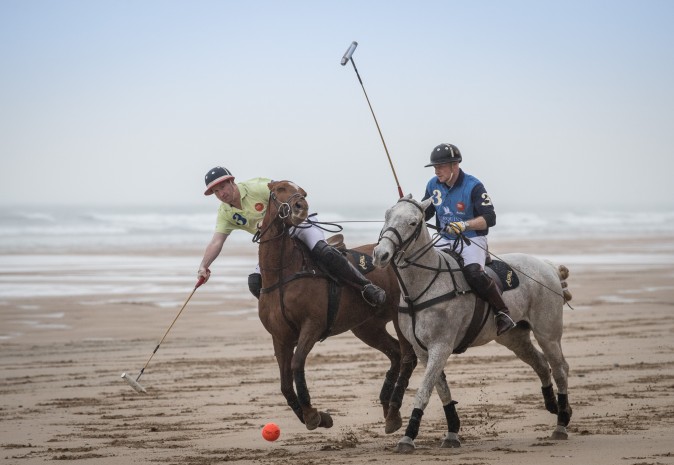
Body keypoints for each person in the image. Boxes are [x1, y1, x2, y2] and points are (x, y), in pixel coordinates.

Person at [197, 166, 386, 306]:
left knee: (324, 252)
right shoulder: (225, 212)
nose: (221, 193)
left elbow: (290, 191)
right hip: (274, 242)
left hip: (298, 226)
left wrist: (273, 218)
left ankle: (367, 287)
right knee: (255, 282)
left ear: (232, 181)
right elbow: (217, 241)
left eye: (223, 187)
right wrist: (204, 266)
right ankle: (281, 315)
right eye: (215, 191)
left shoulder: (258, 187)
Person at [422, 143, 516, 336]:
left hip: (471, 238)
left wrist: (465, 225)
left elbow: (490, 218)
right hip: (444, 238)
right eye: (434, 166)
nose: (436, 170)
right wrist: (410, 211)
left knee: (473, 273)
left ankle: (503, 312)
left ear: (454, 165)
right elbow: (427, 213)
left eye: (440, 166)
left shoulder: (473, 186)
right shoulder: (433, 185)